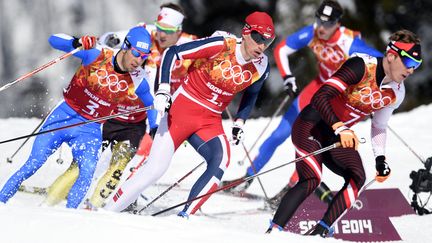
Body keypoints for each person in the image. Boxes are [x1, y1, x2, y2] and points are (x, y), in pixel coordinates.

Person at [104, 11, 275, 217]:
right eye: (258, 38)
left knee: (221, 161)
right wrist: (164, 89)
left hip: (210, 120)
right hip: (183, 108)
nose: (261, 46)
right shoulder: (222, 45)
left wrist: (239, 121)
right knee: (154, 170)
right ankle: (106, 212)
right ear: (246, 32)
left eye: (268, 41)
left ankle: (184, 218)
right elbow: (171, 53)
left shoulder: (262, 65)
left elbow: (252, 93)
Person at [223, 0, 383, 208]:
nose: (322, 27)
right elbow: (281, 50)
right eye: (319, 21)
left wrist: (371, 94)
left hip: (338, 101)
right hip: (315, 90)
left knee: (311, 145)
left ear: (338, 23)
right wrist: (288, 78)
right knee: (279, 134)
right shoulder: (313, 32)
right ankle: (246, 178)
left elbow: (383, 65)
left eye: (328, 23)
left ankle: (289, 189)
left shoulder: (349, 42)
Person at [266, 29, 422, 236]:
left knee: (357, 177)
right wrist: (340, 127)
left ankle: (321, 232)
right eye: (410, 63)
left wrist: (380, 159)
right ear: (392, 56)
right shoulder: (360, 65)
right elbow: (320, 97)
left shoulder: (397, 92)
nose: (411, 71)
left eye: (416, 66)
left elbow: (379, 126)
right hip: (311, 124)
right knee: (311, 179)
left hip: (336, 135)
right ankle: (273, 232)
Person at [42, 3, 197, 209]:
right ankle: (51, 199)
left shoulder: (189, 43)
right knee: (83, 163)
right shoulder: (144, 35)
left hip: (137, 121)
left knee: (119, 165)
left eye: (167, 31)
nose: (161, 35)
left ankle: (97, 204)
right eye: (159, 28)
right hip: (111, 114)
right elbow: (108, 40)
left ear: (178, 30)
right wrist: (108, 41)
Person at [0, 26, 157, 208]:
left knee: (87, 171)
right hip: (65, 115)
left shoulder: (139, 78)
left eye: (145, 56)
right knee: (33, 163)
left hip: (90, 128)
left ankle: (71, 217)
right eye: (137, 53)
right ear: (126, 46)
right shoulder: (97, 54)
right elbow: (53, 39)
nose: (139, 60)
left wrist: (153, 126)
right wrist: (76, 42)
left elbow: (151, 104)